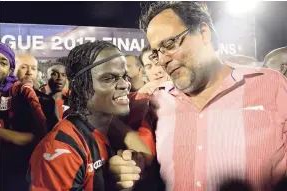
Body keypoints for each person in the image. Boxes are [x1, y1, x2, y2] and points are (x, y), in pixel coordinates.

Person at [110, 1, 287, 191]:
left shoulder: (270, 84)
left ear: (204, 33)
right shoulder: (156, 101)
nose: (163, 60)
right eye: (156, 53)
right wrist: (129, 166)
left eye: (169, 44)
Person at [29, 41, 149, 190]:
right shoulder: (61, 149)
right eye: (109, 78)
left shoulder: (109, 130)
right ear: (81, 87)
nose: (125, 84)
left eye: (125, 76)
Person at [0, 43, 48, 191]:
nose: (29, 72)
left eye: (2, 62)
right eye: (25, 67)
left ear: (10, 71)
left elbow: (39, 136)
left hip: (13, 174)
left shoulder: (21, 95)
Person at [16, 53, 59, 131]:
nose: (29, 72)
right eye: (23, 67)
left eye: (33, 68)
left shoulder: (47, 101)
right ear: (12, 70)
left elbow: (52, 134)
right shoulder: (4, 98)